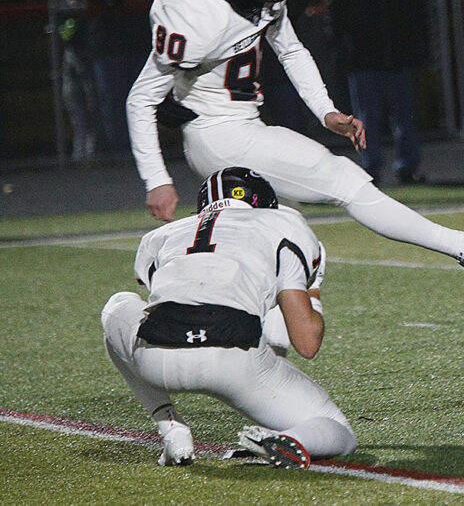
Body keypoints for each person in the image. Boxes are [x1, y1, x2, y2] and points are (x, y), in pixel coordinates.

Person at [125, 0, 464, 278]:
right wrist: (157, 179)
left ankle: (252, 326)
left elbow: (291, 49)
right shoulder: (186, 12)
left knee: (286, 237)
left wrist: (326, 112)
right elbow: (141, 98)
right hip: (220, 135)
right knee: (343, 180)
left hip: (242, 125)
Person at [101, 168, 357, 468]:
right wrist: (312, 289)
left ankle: (171, 427)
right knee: (336, 428)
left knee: (118, 305)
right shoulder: (284, 221)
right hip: (233, 357)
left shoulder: (160, 235)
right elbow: (306, 342)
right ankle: (294, 440)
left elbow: (161, 288)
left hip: (156, 355)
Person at [327, 0, 427, 184]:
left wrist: (413, 48)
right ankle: (371, 168)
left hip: (396, 57)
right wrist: (344, 53)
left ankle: (407, 167)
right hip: (363, 60)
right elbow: (337, 18)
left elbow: (413, 13)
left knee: (404, 117)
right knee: (366, 118)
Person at [81, 0, 161, 156]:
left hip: (139, 48)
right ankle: (119, 150)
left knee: (143, 102)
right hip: (109, 49)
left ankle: (146, 149)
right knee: (113, 103)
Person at [48, 0, 102, 162]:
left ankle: (96, 151)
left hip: (92, 47)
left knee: (93, 100)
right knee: (72, 99)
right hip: (69, 47)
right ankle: (80, 151)